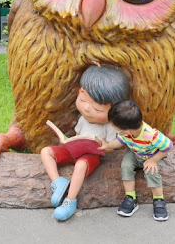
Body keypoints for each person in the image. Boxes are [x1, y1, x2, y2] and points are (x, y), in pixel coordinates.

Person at [40, 64, 131, 221]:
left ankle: (70, 200)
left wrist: (105, 145)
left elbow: (115, 145)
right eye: (82, 100)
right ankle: (57, 183)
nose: (87, 109)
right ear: (79, 92)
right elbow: (77, 134)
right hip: (73, 151)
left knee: (81, 165)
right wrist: (69, 141)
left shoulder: (110, 126)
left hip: (91, 155)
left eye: (97, 110)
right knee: (46, 151)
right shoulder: (83, 119)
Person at [99, 99, 173, 221]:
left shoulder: (151, 135)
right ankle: (131, 198)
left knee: (151, 173)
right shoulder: (126, 133)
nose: (115, 129)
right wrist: (107, 146)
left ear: (125, 130)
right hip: (134, 153)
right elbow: (120, 141)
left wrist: (154, 160)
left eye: (115, 127)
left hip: (152, 155)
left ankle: (159, 199)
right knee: (126, 166)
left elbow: (168, 147)